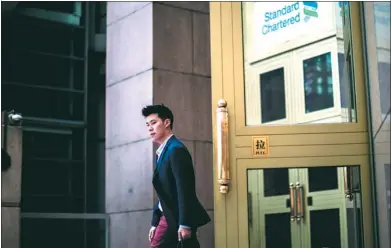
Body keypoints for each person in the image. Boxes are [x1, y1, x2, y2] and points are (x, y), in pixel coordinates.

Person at [142, 104, 211, 248]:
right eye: (147, 124)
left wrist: (184, 223)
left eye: (154, 123)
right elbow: (166, 192)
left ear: (167, 123)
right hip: (167, 216)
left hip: (175, 217)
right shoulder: (163, 151)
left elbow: (184, 189)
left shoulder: (176, 150)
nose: (150, 128)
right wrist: (155, 221)